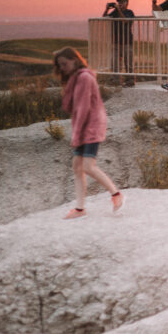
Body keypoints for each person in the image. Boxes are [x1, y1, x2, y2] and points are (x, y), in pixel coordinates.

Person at [52, 47, 124, 219]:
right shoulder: (76, 79)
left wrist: (76, 135)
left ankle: (116, 194)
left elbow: (83, 108)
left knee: (87, 166)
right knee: (77, 167)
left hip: (91, 125)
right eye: (60, 65)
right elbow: (71, 106)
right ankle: (80, 208)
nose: (62, 68)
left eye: (64, 64)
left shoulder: (84, 78)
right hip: (84, 125)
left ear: (74, 60)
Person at [102, 0, 135, 87]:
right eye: (119, 2)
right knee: (115, 62)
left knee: (128, 62)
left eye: (122, 2)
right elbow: (104, 17)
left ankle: (130, 80)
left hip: (127, 42)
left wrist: (118, 10)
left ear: (127, 3)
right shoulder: (115, 12)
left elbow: (125, 21)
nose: (120, 4)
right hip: (116, 42)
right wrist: (106, 9)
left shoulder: (129, 12)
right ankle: (116, 80)